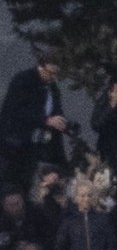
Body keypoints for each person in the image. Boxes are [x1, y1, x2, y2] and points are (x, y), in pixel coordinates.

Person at [0, 54, 76, 192]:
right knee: (13, 185)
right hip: (15, 146)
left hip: (41, 148)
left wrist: (64, 123)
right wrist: (45, 120)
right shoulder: (22, 80)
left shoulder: (52, 88)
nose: (54, 78)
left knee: (35, 184)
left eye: (57, 74)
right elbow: (14, 110)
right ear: (41, 67)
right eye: (51, 73)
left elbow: (55, 111)